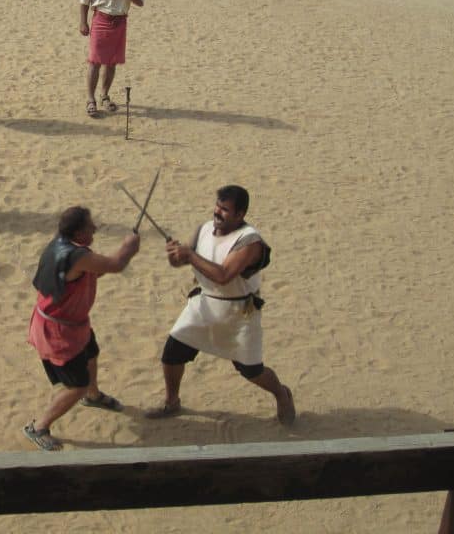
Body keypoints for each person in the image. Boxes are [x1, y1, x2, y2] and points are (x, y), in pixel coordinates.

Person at [146, 185, 296, 425]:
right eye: (217, 206)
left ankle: (281, 393)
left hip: (238, 315)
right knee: (172, 355)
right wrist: (176, 256)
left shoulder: (249, 241)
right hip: (203, 306)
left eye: (225, 209)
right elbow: (183, 262)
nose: (217, 212)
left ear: (240, 214)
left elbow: (224, 275)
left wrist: (190, 255)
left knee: (251, 371)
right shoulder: (204, 229)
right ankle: (172, 402)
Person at [23, 206, 140, 451]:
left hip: (75, 324)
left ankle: (93, 395)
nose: (95, 228)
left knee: (91, 354)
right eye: (90, 226)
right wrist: (129, 248)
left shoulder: (62, 245)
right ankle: (39, 426)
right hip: (59, 332)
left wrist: (109, 262)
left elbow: (93, 271)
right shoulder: (77, 256)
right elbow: (117, 264)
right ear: (77, 232)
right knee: (76, 386)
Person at [78, 0, 145, 117]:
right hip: (101, 20)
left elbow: (140, 2)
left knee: (111, 63)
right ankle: (91, 99)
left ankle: (104, 96)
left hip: (120, 22)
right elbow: (85, 0)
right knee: (95, 61)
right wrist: (83, 22)